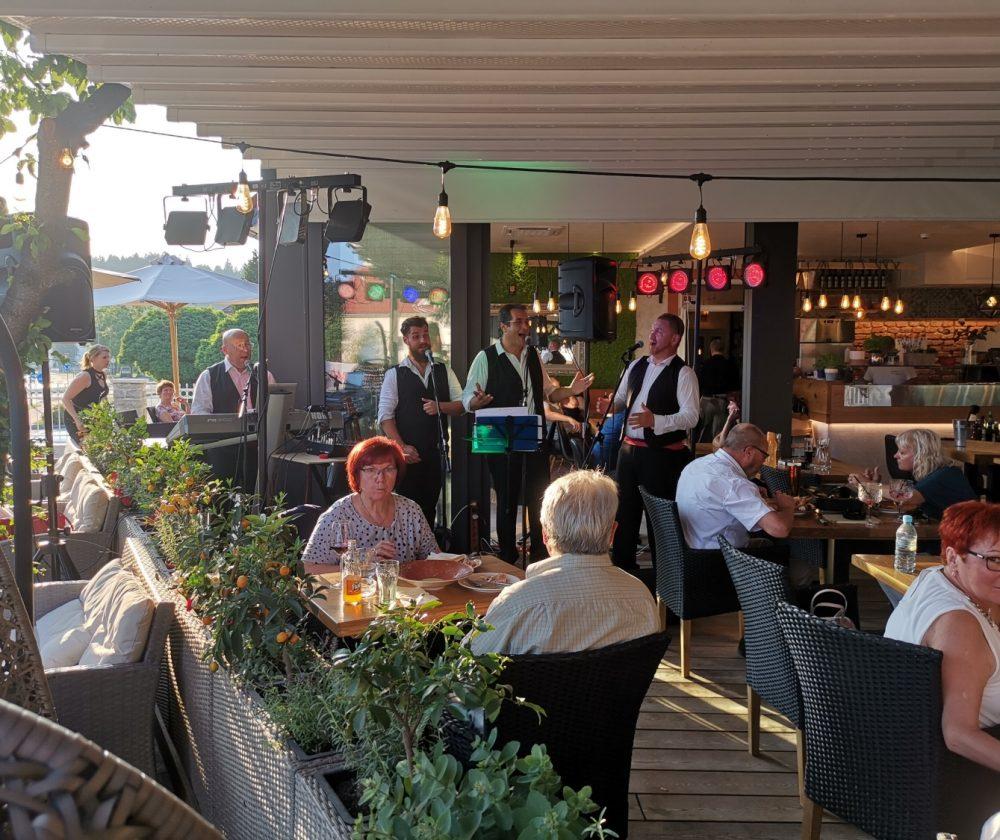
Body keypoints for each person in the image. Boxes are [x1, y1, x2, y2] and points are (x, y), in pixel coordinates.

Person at [470, 470, 661, 655]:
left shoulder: (519, 603)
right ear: (612, 533)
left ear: (545, 535)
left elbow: (466, 662)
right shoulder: (642, 598)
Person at [462, 303, 593, 564]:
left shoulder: (533, 355)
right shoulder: (485, 357)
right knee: (506, 499)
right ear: (503, 326)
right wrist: (477, 402)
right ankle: (507, 556)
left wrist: (571, 390)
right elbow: (467, 399)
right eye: (519, 322)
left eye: (527, 322)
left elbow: (550, 394)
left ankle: (540, 554)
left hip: (533, 437)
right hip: (499, 439)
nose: (526, 327)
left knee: (538, 495)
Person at [884, 501, 1000, 777]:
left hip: (901, 738)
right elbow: (958, 735)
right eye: (994, 560)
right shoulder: (959, 625)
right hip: (962, 770)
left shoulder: (935, 577)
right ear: (953, 557)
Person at [609, 313, 700, 573]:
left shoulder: (683, 373)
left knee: (658, 518)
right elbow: (620, 400)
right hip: (628, 451)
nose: (652, 334)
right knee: (624, 514)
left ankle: (665, 579)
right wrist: (610, 405)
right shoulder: (636, 365)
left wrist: (656, 421)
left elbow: (691, 416)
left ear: (675, 338)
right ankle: (623, 571)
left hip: (662, 456)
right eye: (652, 329)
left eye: (659, 331)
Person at [676, 423, 808, 582]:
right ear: (749, 451)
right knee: (803, 571)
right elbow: (780, 529)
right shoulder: (733, 483)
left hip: (691, 559)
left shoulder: (696, 465)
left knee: (766, 544)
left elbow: (722, 500)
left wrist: (753, 495)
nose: (763, 462)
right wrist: (788, 507)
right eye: (764, 456)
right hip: (721, 567)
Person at [378, 316, 465, 529]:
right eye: (416, 336)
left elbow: (462, 405)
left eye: (425, 335)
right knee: (404, 511)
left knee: (429, 509)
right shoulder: (395, 374)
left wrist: (440, 407)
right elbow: (385, 417)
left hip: (435, 454)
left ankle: (428, 548)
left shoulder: (443, 370)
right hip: (407, 458)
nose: (423, 340)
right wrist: (401, 447)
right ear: (406, 340)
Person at [302, 436, 438, 566]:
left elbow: (436, 559)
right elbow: (309, 568)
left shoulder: (411, 511)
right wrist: (364, 563)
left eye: (388, 469)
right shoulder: (338, 515)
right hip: (352, 584)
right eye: (370, 470)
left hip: (404, 584)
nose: (380, 478)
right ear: (356, 475)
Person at [852, 428, 976, 520]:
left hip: (965, 540)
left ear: (921, 455)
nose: (895, 456)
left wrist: (867, 484)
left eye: (902, 452)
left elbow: (907, 497)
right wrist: (873, 485)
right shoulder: (933, 474)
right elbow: (908, 504)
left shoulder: (943, 476)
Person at [190, 328, 274, 415]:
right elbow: (199, 412)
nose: (245, 350)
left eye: (247, 344)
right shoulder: (209, 377)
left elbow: (275, 408)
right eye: (239, 345)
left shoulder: (264, 375)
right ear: (225, 350)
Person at [62, 344, 111, 444]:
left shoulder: (103, 374)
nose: (108, 360)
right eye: (104, 357)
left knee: (101, 445)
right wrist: (77, 420)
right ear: (93, 359)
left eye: (108, 357)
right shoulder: (85, 376)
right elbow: (65, 399)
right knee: (87, 447)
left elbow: (102, 397)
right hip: (76, 417)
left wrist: (107, 414)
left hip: (91, 416)